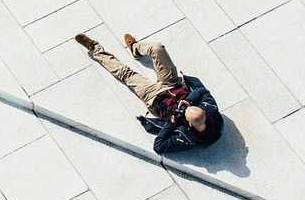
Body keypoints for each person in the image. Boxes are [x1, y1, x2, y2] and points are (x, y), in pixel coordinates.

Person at [75, 32, 223, 154]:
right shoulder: (212, 113)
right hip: (174, 84)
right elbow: (201, 92)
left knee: (125, 73)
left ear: (190, 123)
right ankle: (135, 48)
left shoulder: (188, 138)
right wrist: (189, 102)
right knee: (157, 48)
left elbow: (159, 147)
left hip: (155, 99)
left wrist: (172, 123)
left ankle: (95, 49)